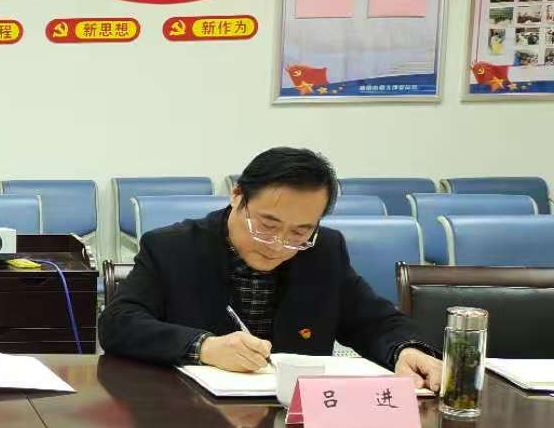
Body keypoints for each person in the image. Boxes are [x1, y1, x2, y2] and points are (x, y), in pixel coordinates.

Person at [99, 147, 443, 390]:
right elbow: (119, 323)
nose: (278, 244)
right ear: (238, 196)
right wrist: (204, 347)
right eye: (267, 225)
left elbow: (374, 320)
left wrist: (405, 350)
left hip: (295, 420)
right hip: (190, 418)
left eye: (300, 232)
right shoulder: (173, 247)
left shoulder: (323, 250)